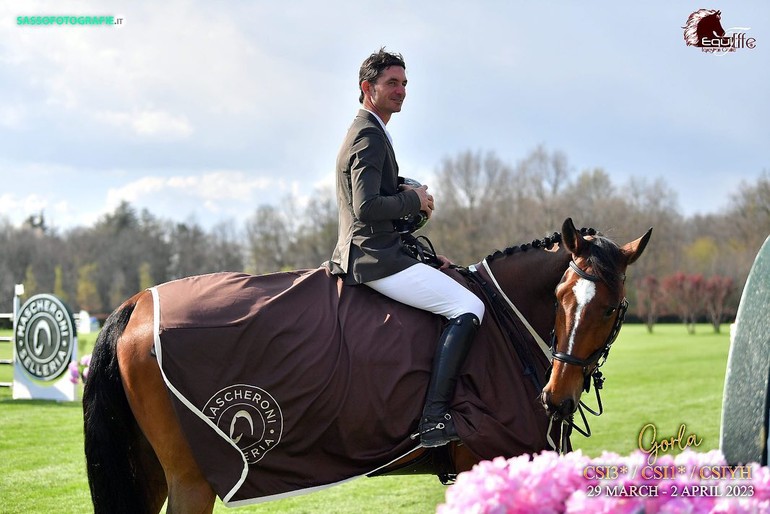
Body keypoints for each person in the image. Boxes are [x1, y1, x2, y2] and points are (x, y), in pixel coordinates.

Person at [326, 48, 485, 447]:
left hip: (383, 250)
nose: (400, 91)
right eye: (391, 83)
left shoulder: (373, 130)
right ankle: (433, 418)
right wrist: (414, 199)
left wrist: (428, 257)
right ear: (368, 88)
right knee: (469, 307)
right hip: (372, 258)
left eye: (404, 84)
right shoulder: (368, 134)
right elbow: (366, 207)